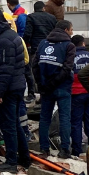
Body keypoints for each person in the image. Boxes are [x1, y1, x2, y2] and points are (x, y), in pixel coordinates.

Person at [0, 8, 30, 172]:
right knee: (16, 124)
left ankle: (11, 161)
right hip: (17, 87)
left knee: (8, 125)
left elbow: (4, 69)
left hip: (8, 90)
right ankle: (24, 159)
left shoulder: (4, 41)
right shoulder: (12, 36)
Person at [33, 21, 75, 158]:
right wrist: (54, 83)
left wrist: (41, 84)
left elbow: (35, 66)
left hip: (46, 89)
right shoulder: (69, 45)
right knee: (64, 118)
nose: (72, 32)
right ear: (65, 29)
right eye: (71, 29)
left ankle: (44, 149)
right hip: (62, 88)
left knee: (45, 118)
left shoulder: (43, 44)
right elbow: (67, 68)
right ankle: (64, 150)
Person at [70, 35, 89, 156]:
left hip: (75, 93)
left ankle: (77, 151)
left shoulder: (70, 57)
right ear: (83, 43)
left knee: (76, 123)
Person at [23, 1, 57, 102]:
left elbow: (28, 33)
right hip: (50, 48)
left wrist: (25, 44)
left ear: (35, 9)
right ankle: (47, 95)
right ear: (44, 8)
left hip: (36, 48)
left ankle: (33, 93)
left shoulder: (31, 17)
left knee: (35, 72)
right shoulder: (52, 18)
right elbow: (55, 32)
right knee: (49, 72)